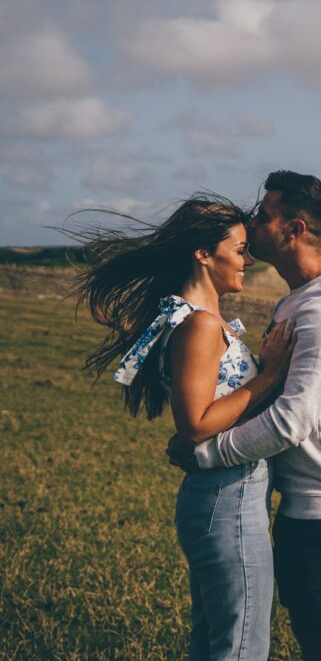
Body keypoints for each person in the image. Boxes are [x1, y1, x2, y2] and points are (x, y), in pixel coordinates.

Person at [168, 171, 321, 661]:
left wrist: (205, 452)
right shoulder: (299, 299)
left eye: (264, 216)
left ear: (296, 230)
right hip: (307, 502)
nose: (253, 223)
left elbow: (291, 421)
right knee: (317, 639)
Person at [70, 196, 296, 661]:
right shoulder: (198, 326)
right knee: (241, 645)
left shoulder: (201, 321)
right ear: (203, 254)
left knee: (217, 640)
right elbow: (194, 426)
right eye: (238, 249)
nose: (246, 261)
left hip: (224, 496)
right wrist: (271, 375)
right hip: (226, 497)